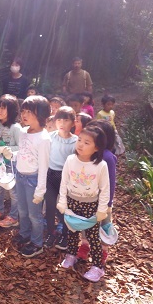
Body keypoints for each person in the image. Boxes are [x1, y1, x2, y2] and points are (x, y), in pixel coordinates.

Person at [57, 125, 110, 282]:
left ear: (97, 147)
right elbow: (64, 182)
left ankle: (97, 267)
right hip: (72, 202)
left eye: (87, 142)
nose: (80, 144)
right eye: (79, 140)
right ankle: (71, 255)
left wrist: (102, 210)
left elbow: (105, 189)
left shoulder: (101, 165)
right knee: (72, 231)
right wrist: (62, 201)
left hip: (90, 205)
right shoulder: (70, 160)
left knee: (93, 237)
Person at [13, 95, 51, 258]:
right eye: (23, 111)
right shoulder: (22, 131)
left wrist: (40, 191)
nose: (24, 115)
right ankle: (25, 233)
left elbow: (44, 166)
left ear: (41, 114)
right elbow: (23, 152)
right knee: (22, 209)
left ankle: (37, 243)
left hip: (33, 180)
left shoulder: (44, 138)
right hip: (20, 176)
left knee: (34, 214)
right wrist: (9, 154)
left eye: (29, 112)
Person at [78, 119, 117, 265]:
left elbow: (111, 182)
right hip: (87, 199)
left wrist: (108, 204)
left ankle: (103, 251)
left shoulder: (107, 157)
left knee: (103, 227)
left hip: (102, 201)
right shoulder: (87, 154)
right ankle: (85, 246)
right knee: (85, 224)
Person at [43, 107, 77, 250]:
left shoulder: (75, 141)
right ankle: (51, 232)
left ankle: (65, 234)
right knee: (50, 206)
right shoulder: (50, 137)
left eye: (66, 120)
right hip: (50, 175)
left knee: (63, 207)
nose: (62, 123)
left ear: (73, 123)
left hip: (66, 178)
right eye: (59, 119)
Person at [0, 95, 21, 229]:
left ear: (12, 110)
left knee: (13, 191)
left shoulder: (15, 127)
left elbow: (21, 147)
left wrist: (6, 149)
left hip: (11, 164)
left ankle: (14, 216)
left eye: (3, 108)